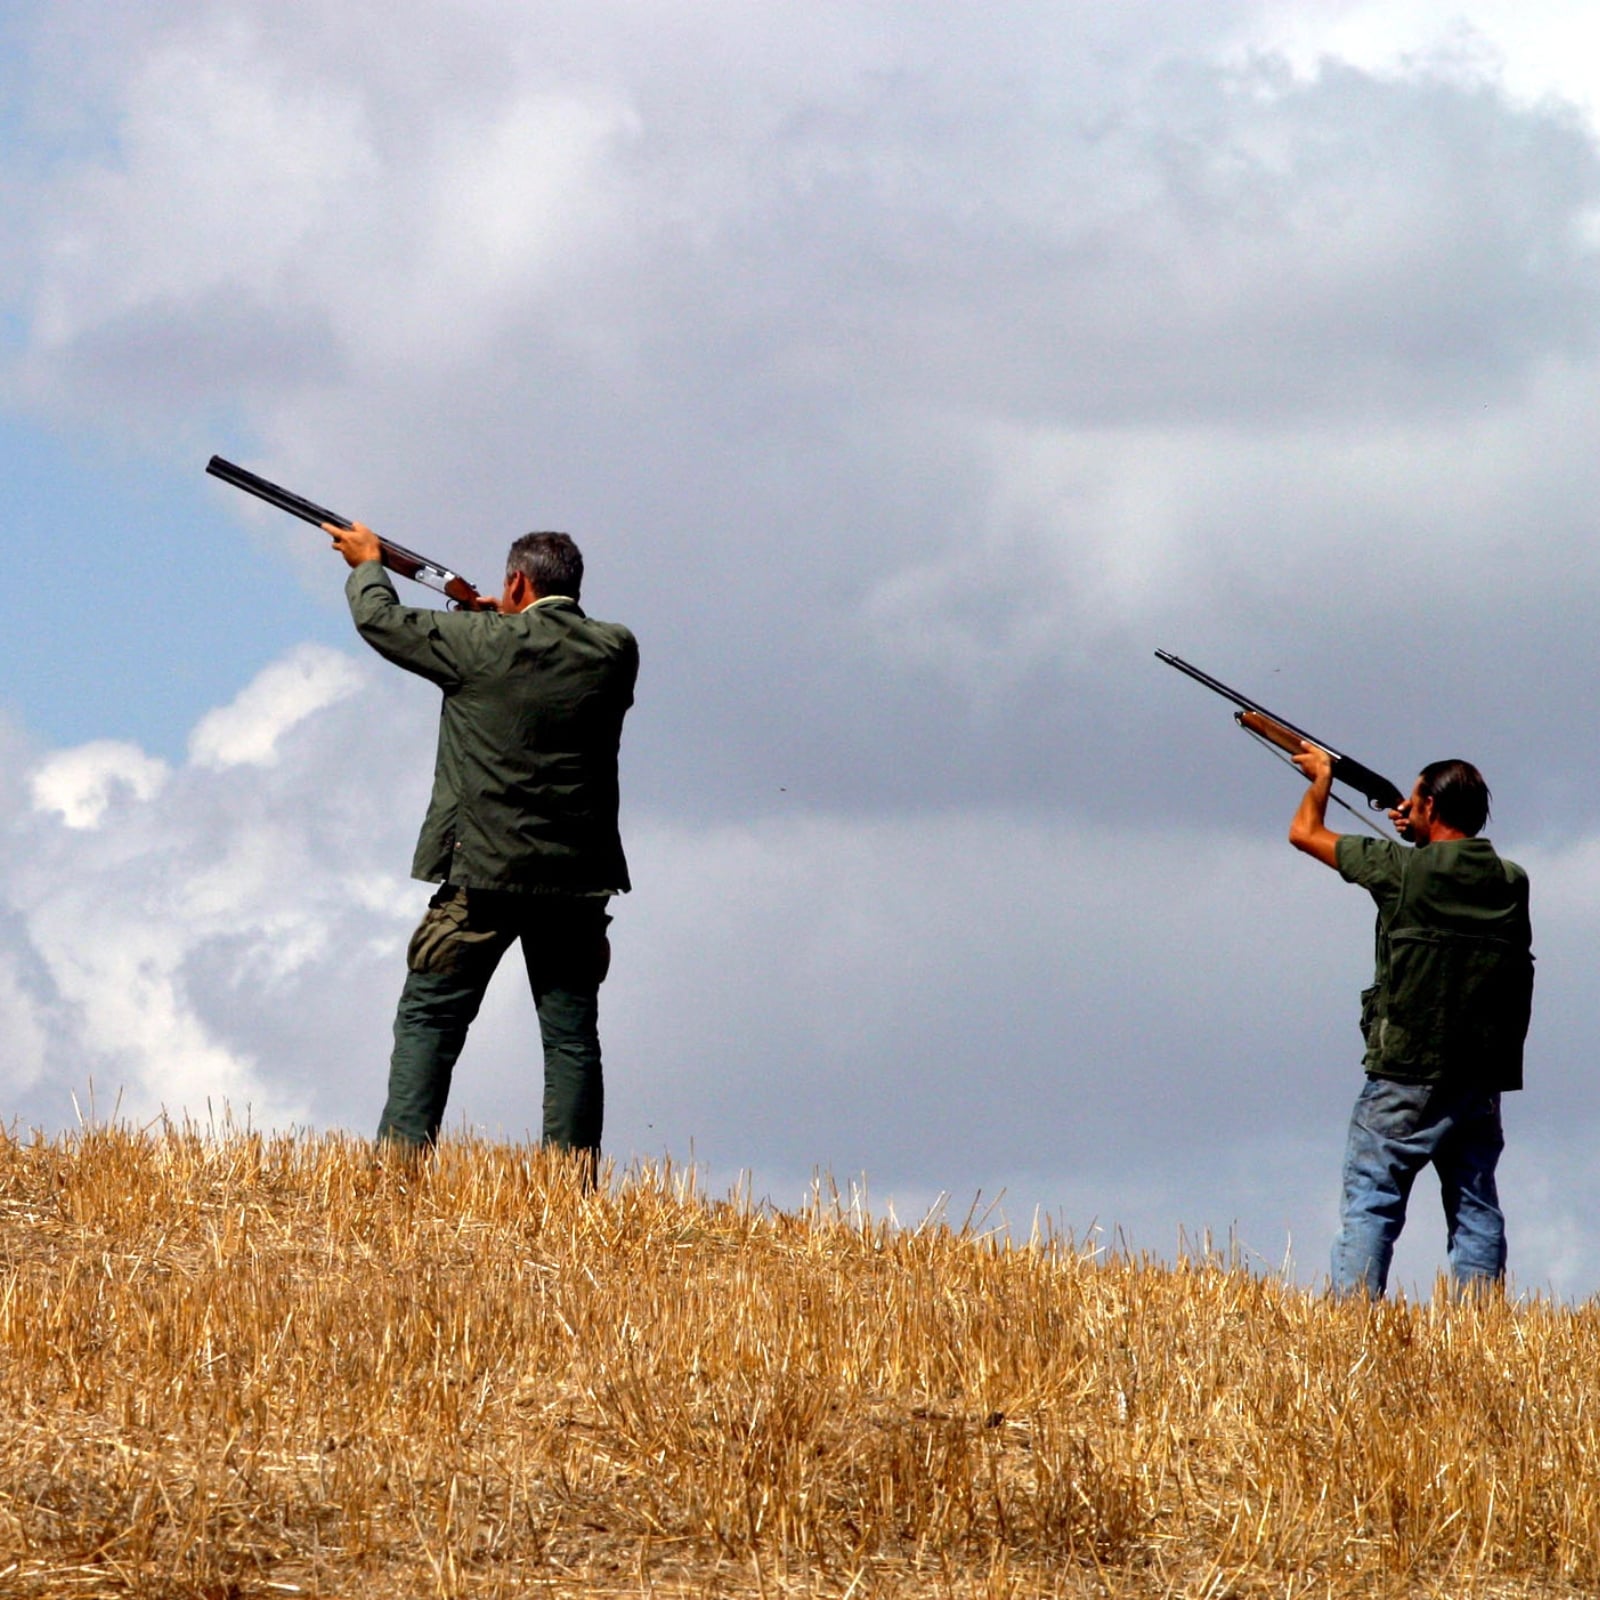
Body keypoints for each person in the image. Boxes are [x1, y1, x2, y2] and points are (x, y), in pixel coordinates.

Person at [325, 517, 637, 1172]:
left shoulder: (478, 643)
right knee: (572, 1040)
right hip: (576, 880)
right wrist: (498, 616)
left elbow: (383, 623)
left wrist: (365, 564)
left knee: (429, 1023)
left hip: (482, 873)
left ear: (516, 580)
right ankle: (570, 1188)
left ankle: (399, 1176)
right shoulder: (614, 650)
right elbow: (538, 649)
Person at [1288, 745, 1533, 1298]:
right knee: (1475, 1203)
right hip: (1480, 1073)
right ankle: (1480, 1331)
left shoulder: (1401, 870)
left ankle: (1352, 1323)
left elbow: (1305, 832)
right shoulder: (1512, 882)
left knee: (1373, 1194)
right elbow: (1444, 873)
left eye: (1415, 798)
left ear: (1427, 805)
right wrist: (1419, 833)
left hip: (1407, 1069)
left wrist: (1320, 779)